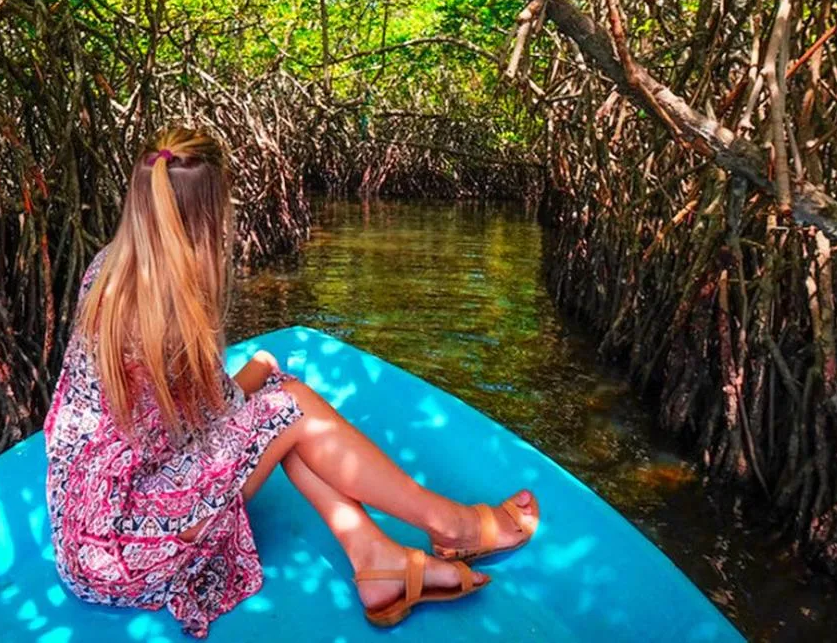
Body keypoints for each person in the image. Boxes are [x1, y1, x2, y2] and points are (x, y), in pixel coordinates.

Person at [44, 126, 540, 637]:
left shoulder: (108, 270)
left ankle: (377, 561)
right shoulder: (170, 308)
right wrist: (259, 370)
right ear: (212, 213)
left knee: (282, 416)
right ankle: (451, 526)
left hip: (89, 538)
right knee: (293, 405)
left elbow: (183, 423)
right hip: (133, 553)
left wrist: (255, 381)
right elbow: (218, 413)